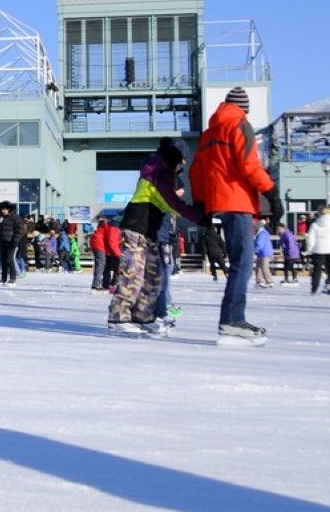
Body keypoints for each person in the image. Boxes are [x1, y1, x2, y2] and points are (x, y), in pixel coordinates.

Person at [188, 87, 282, 345]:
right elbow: (249, 165)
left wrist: (200, 203)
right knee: (243, 262)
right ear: (245, 109)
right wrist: (271, 193)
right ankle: (232, 320)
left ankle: (230, 318)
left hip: (219, 203)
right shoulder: (240, 125)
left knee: (239, 262)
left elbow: (196, 172)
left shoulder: (209, 134)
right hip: (238, 201)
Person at [106, 138, 204, 336]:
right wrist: (199, 215)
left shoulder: (165, 174)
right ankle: (118, 317)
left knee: (154, 276)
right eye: (182, 159)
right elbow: (171, 202)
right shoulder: (155, 170)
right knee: (133, 273)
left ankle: (142, 316)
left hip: (150, 233)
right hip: (136, 228)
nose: (183, 164)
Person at [307, 206, 330, 294]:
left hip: (319, 249)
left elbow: (311, 238)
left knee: (317, 270)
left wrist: (310, 249)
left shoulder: (315, 224)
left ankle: (314, 289)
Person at [0, 202, 24, 286]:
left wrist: (15, 241)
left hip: (12, 243)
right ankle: (3, 278)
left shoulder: (15, 217)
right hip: (3, 242)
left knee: (10, 260)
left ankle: (13, 278)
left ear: (9, 209)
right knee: (3, 261)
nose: (4, 211)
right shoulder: (0, 218)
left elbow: (20, 231)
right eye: (2, 209)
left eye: (5, 209)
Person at [254, 220, 275, 289]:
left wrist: (255, 250)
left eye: (256, 226)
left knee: (264, 268)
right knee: (258, 267)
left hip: (265, 253)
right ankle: (260, 281)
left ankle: (270, 282)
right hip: (262, 253)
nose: (255, 227)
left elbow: (260, 244)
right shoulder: (260, 233)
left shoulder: (262, 234)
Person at [89, 216, 108, 292]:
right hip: (99, 246)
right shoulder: (106, 227)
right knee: (100, 265)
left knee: (98, 265)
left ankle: (96, 284)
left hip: (95, 245)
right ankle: (96, 285)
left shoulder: (99, 228)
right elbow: (109, 239)